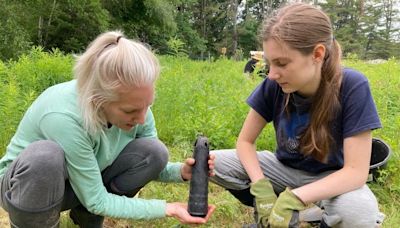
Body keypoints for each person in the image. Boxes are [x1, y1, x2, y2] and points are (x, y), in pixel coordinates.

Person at [0, 31, 215, 228]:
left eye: (147, 105)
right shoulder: (64, 117)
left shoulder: (137, 105)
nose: (142, 119)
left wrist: (182, 173)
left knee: (155, 151)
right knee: (44, 158)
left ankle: (86, 218)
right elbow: (96, 199)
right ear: (98, 100)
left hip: (79, 182)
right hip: (23, 187)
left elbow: (150, 163)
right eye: (130, 110)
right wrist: (168, 208)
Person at [210, 3, 383, 228]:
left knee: (359, 214)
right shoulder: (274, 85)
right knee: (209, 162)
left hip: (331, 177)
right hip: (284, 168)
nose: (271, 74)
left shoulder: (352, 85)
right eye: (269, 63)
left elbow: (355, 172)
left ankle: (313, 214)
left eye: (281, 63)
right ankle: (271, 213)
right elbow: (245, 142)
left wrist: (296, 198)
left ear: (317, 54)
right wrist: (261, 187)